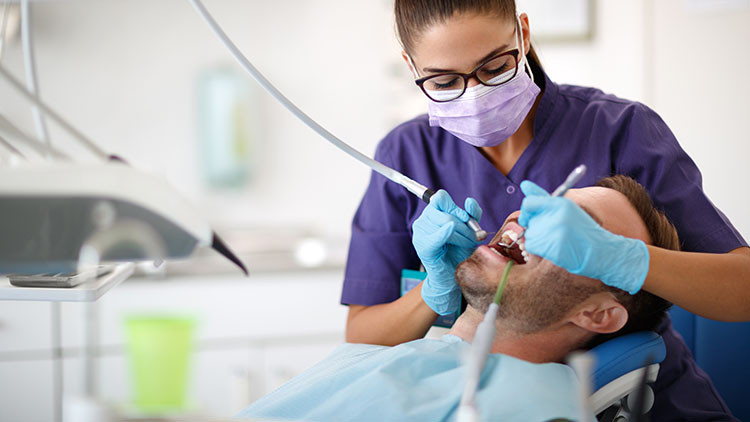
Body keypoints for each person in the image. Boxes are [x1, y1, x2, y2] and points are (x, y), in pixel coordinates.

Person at [343, 1, 748, 419]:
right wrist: (434, 294)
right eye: (445, 81)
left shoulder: (619, 129)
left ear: (523, 33)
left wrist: (627, 259)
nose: (476, 91)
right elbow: (361, 335)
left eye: (494, 66)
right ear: (411, 65)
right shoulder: (405, 154)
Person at [240, 176, 697, 421]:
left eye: (573, 226)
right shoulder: (408, 355)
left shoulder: (532, 405)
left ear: (597, 313)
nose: (527, 215)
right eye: (549, 202)